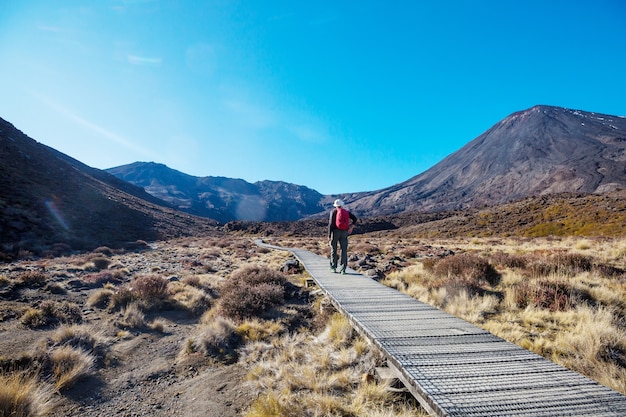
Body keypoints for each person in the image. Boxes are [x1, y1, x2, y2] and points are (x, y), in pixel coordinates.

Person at [328, 199, 357, 274]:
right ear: (342, 205)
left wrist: (329, 235)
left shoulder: (334, 211)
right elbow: (355, 219)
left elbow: (331, 224)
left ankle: (333, 267)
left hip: (335, 232)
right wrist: (351, 226)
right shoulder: (346, 212)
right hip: (344, 232)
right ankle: (343, 269)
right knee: (343, 250)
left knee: (333, 249)